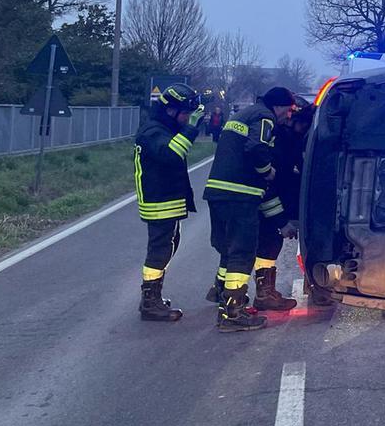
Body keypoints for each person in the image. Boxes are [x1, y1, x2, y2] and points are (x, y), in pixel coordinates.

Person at [203, 86, 297, 332]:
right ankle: (232, 315)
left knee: (228, 248)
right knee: (243, 254)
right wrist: (268, 171)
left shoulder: (241, 115)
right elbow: (256, 148)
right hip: (239, 195)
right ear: (277, 106)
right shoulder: (264, 117)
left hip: (218, 193)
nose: (289, 116)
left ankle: (222, 294)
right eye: (288, 111)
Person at [133, 83, 206, 322]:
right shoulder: (153, 131)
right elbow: (172, 154)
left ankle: (153, 298)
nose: (186, 118)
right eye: (185, 113)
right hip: (158, 202)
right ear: (171, 110)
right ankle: (150, 302)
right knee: (159, 251)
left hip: (167, 200)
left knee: (169, 247)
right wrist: (192, 128)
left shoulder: (163, 128)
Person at [251, 98, 314, 311]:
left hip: (268, 198)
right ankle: (264, 294)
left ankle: (225, 289)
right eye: (303, 125)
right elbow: (273, 182)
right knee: (268, 245)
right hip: (265, 199)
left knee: (260, 245)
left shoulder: (287, 140)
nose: (304, 130)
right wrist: (282, 220)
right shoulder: (280, 142)